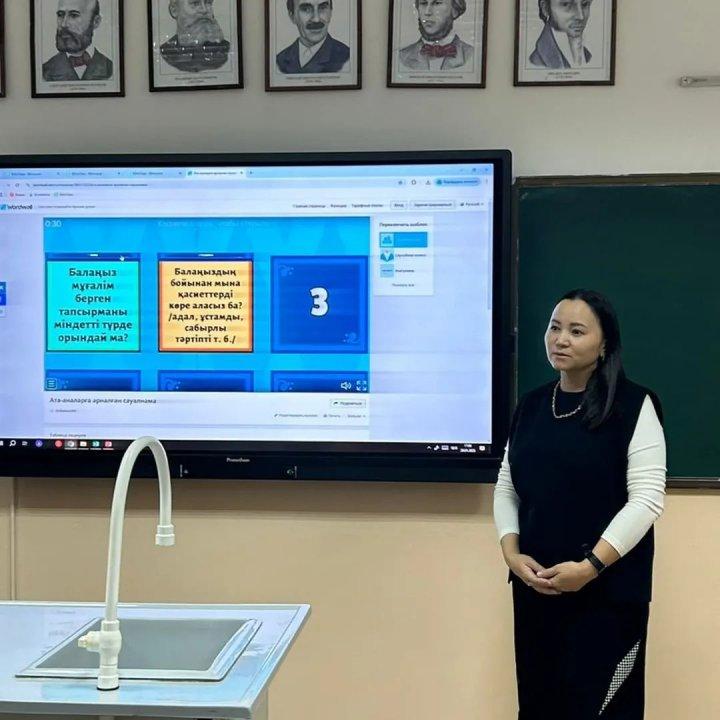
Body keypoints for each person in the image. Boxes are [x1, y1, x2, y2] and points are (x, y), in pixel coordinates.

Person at [493, 289, 666, 718]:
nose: (560, 339)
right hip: (537, 589)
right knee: (540, 706)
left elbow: (646, 499)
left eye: (576, 331)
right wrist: (511, 553)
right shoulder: (532, 405)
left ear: (604, 344)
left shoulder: (633, 405)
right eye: (554, 328)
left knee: (602, 709)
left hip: (607, 593)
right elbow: (507, 486)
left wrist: (590, 567)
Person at [42, 0, 113, 82]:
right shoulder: (45, 72)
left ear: (96, 22)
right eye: (60, 15)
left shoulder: (111, 69)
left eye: (74, 15)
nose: (63, 24)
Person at [276, 0, 350, 74]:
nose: (316, 19)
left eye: (322, 8)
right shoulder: (279, 61)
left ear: (330, 12)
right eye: (306, 9)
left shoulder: (347, 58)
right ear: (292, 16)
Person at [399, 0, 474, 72]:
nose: (427, 12)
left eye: (437, 3)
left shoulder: (471, 54)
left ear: (455, 11)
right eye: (423, 3)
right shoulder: (402, 56)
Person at [160, 0, 231, 73]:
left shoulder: (225, 49)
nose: (204, 10)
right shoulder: (167, 51)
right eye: (195, 3)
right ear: (174, 10)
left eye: (208, 3)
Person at [530, 0, 593, 69]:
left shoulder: (587, 55)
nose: (580, 16)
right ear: (545, 8)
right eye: (566, 4)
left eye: (585, 4)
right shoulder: (537, 60)